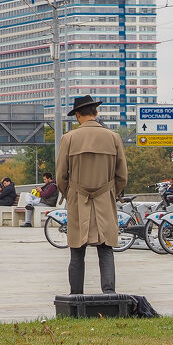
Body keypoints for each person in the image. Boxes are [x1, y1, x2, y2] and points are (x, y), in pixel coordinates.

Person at [55, 95, 128, 295]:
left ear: (78, 115)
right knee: (106, 249)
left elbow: (61, 176)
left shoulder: (68, 139)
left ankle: (76, 295)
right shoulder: (113, 137)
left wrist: (70, 194)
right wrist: (112, 193)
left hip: (78, 199)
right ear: (96, 113)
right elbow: (122, 175)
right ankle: (109, 293)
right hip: (105, 197)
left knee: (77, 251)